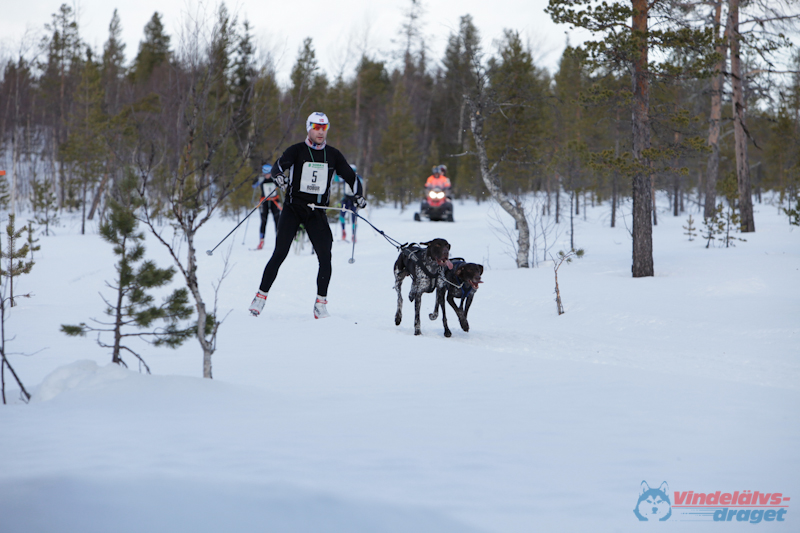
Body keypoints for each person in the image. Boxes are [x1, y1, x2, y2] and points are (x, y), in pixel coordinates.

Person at [248, 112, 366, 319]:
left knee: (325, 256)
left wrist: (359, 196)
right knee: (280, 253)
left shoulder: (333, 154)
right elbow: (278, 167)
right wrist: (279, 178)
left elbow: (351, 177)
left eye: (324, 127)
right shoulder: (297, 150)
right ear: (308, 128)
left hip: (317, 212)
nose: (320, 131)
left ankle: (320, 303)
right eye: (316, 127)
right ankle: (260, 297)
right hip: (293, 209)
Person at [252, 164, 282, 250]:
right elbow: (253, 185)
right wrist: (256, 180)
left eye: (269, 173)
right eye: (266, 174)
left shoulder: (274, 178)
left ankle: (279, 240)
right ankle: (261, 241)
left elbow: (281, 184)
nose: (267, 175)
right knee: (263, 221)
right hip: (264, 201)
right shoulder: (261, 179)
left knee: (277, 220)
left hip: (274, 201)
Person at [339, 164, 362, 242]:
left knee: (353, 218)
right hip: (346, 199)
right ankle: (344, 232)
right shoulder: (345, 177)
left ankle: (353, 235)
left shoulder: (357, 178)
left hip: (352, 200)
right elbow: (336, 179)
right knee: (343, 216)